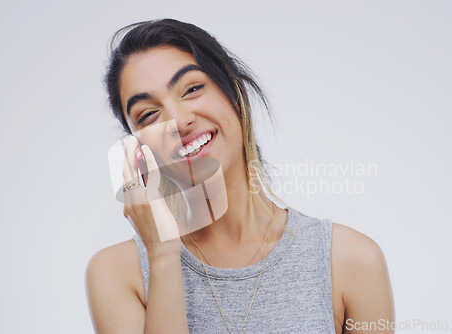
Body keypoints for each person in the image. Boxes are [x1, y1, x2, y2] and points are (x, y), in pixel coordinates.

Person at [85, 18, 395, 334]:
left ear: (237, 92)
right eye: (148, 115)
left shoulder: (350, 261)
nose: (178, 120)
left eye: (192, 88)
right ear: (136, 149)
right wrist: (163, 257)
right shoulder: (118, 274)